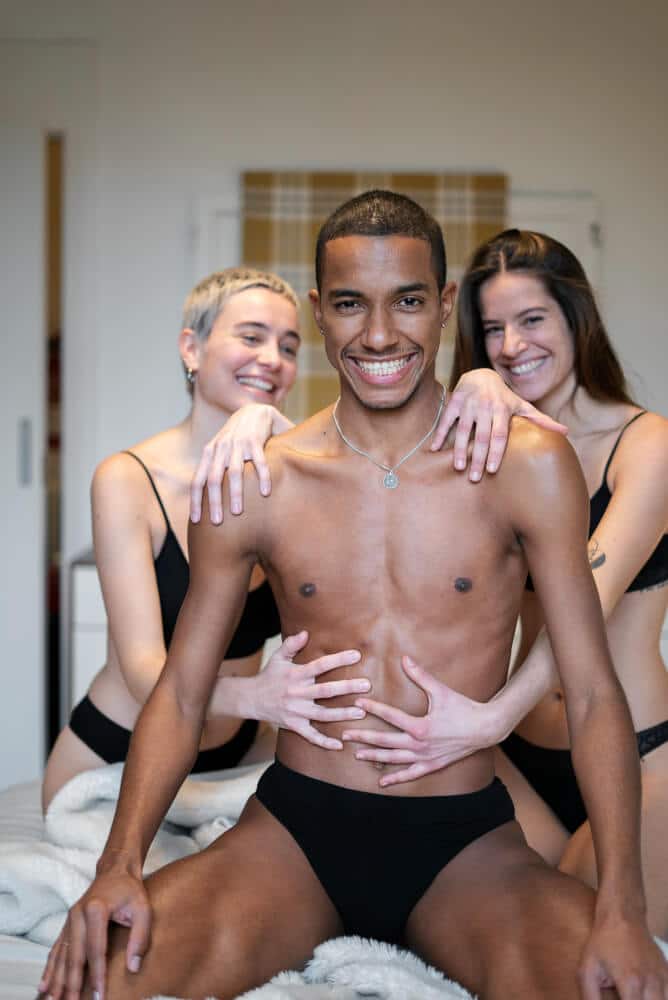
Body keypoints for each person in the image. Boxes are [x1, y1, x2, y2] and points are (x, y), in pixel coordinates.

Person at [39, 191, 667, 1000]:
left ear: (443, 304)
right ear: (319, 313)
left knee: (612, 989)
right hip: (292, 837)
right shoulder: (256, 479)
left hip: (466, 846)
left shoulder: (527, 464)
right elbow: (182, 691)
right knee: (94, 980)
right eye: (348, 305)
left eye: (407, 301)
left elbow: (592, 693)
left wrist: (622, 907)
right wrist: (118, 865)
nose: (377, 335)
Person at [342, 229, 668, 937]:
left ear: (577, 318)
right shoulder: (490, 447)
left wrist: (491, 717)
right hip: (512, 756)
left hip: (641, 756)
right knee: (523, 937)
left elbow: (587, 603)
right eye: (493, 330)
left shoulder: (649, 444)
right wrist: (474, 383)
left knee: (599, 936)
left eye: (532, 319)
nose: (513, 346)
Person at [42, 268, 373, 811]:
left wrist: (275, 428)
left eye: (288, 347)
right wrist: (259, 697)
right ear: (191, 348)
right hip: (119, 757)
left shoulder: (293, 481)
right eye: (251, 337)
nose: (272, 358)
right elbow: (144, 671)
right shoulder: (127, 481)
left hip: (237, 755)